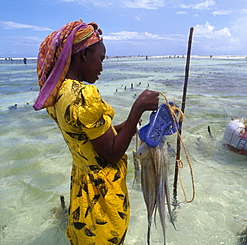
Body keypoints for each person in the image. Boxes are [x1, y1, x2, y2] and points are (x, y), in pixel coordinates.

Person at [33, 20, 159, 245]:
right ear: (84, 55)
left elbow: (89, 136)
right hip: (101, 198)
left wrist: (128, 125)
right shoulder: (84, 95)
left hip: (82, 189)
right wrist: (137, 107)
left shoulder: (59, 94)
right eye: (100, 58)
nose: (102, 67)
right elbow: (111, 153)